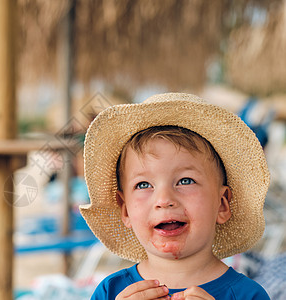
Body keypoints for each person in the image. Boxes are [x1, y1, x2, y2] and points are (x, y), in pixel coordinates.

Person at [80, 93, 271, 299]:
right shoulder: (111, 292)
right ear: (125, 209)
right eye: (144, 184)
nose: (164, 200)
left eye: (185, 181)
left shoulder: (249, 295)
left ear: (222, 204)